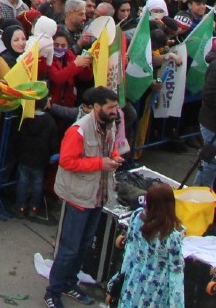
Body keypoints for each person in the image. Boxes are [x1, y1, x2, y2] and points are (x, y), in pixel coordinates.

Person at [46, 87, 125, 308]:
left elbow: (110, 150)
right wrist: (101, 163)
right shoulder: (78, 130)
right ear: (97, 107)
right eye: (110, 107)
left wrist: (115, 157)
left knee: (84, 244)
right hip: (78, 197)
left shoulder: (108, 124)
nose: (114, 111)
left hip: (98, 196)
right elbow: (67, 162)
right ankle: (53, 291)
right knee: (69, 247)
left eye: (116, 107)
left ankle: (70, 282)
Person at [114, 182, 185, 308]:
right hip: (155, 291)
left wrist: (116, 282)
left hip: (132, 282)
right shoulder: (172, 237)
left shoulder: (137, 217)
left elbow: (129, 252)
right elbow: (175, 275)